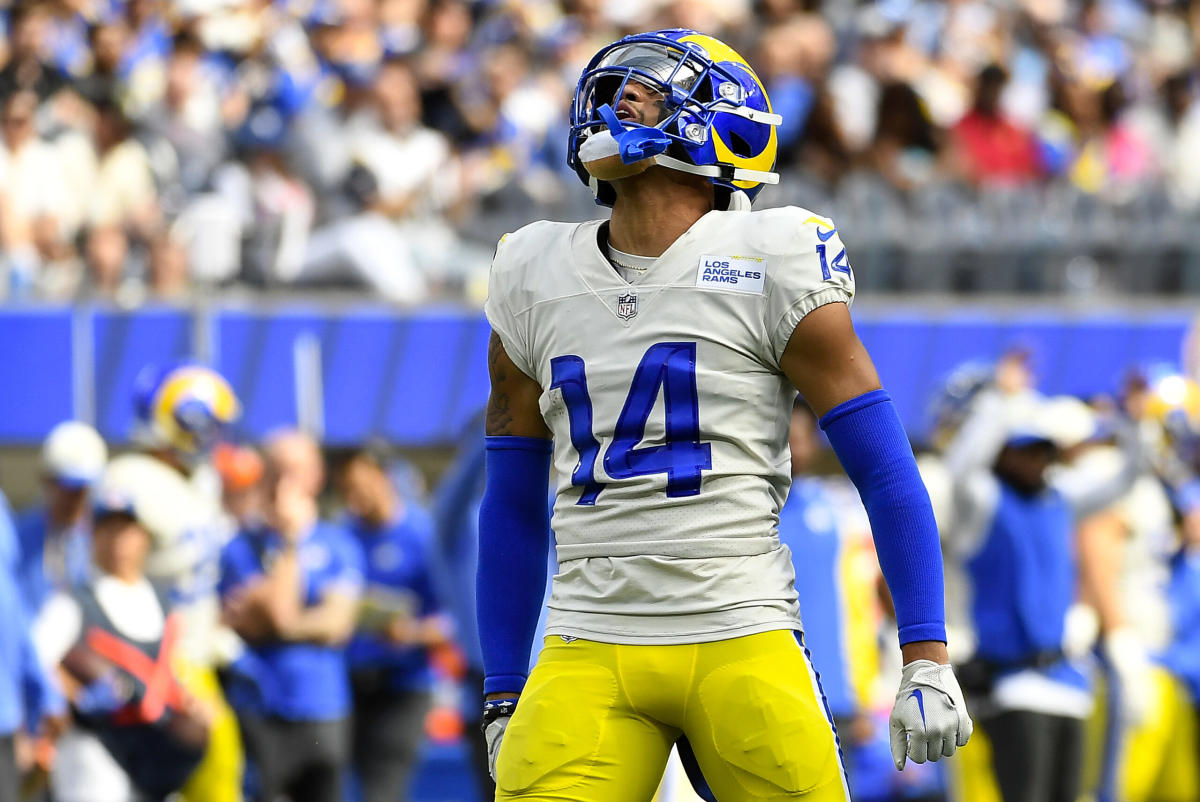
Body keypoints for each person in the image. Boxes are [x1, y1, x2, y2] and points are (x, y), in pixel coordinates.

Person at [477, 29, 971, 802]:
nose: (618, 98)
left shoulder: (770, 256)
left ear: (723, 125)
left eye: (647, 87)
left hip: (740, 629)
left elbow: (884, 468)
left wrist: (926, 654)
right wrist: (504, 687)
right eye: (613, 88)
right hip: (587, 635)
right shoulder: (530, 272)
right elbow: (509, 503)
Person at [942, 379, 1141, 802]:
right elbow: (959, 473)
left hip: (1068, 686)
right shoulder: (987, 502)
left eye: (1042, 450)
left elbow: (1124, 480)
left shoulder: (1058, 502)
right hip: (1013, 686)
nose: (1035, 460)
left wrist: (1131, 421)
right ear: (1005, 454)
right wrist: (999, 403)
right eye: (1024, 450)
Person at [103, 362, 244, 802]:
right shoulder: (130, 479)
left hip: (201, 656)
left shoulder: (201, 480)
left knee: (219, 775)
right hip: (155, 660)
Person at [218, 429, 362, 802]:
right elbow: (280, 616)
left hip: (324, 707)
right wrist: (291, 540)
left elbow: (337, 624)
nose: (284, 484)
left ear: (316, 477)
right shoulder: (239, 547)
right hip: (262, 708)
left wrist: (273, 614)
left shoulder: (339, 543)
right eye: (275, 472)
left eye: (295, 472)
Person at [47, 480, 211, 802]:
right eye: (108, 528)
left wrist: (192, 706)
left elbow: (178, 675)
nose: (118, 540)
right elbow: (40, 667)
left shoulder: (166, 606)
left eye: (126, 528)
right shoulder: (72, 602)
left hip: (155, 747)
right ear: (94, 537)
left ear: (144, 537)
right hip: (96, 745)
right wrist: (75, 693)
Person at [338, 448, 452, 802]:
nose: (355, 498)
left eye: (361, 486)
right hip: (351, 682)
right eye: (347, 490)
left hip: (404, 684)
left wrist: (412, 633)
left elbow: (455, 616)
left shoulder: (424, 535)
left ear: (385, 478)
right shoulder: (343, 535)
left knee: (383, 789)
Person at [16, 421, 106, 621]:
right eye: (67, 488)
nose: (74, 499)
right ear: (46, 480)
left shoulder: (102, 537)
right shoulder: (18, 539)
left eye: (82, 490)